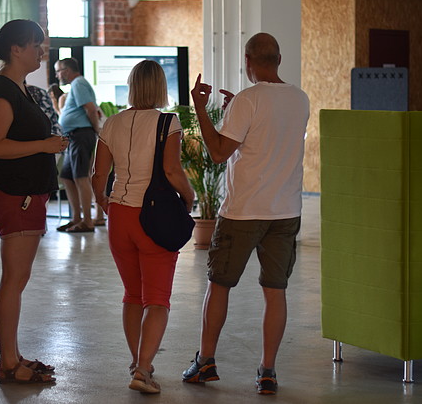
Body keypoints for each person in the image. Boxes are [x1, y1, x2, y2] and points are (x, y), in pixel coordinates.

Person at [181, 33, 309, 395]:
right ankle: (268, 371)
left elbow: (220, 152)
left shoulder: (248, 100)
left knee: (219, 285)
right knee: (276, 290)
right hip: (286, 211)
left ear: (248, 61)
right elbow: (270, 130)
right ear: (279, 58)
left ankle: (205, 362)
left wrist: (203, 110)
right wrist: (241, 108)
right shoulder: (300, 99)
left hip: (243, 212)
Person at [92, 60, 194, 394]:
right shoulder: (169, 122)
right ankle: (143, 369)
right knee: (158, 300)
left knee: (133, 295)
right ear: (160, 86)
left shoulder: (113, 122)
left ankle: (137, 361)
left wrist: (104, 203)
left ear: (133, 85)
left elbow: (98, 176)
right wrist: (189, 197)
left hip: (119, 216)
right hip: (155, 217)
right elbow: (173, 170)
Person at [0, 19, 67, 384]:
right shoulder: (3, 91)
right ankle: (6, 363)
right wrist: (44, 145)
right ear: (16, 50)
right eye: (35, 45)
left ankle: (13, 355)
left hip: (30, 195)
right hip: (17, 196)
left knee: (19, 278)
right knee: (13, 280)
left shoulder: (20, 87)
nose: (40, 52)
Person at [54, 57, 99, 233]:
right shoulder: (75, 85)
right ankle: (76, 218)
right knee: (66, 176)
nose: (57, 75)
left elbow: (90, 108)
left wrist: (96, 130)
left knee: (81, 177)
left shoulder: (79, 83)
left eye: (58, 71)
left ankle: (87, 221)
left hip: (81, 135)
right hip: (72, 137)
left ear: (66, 70)